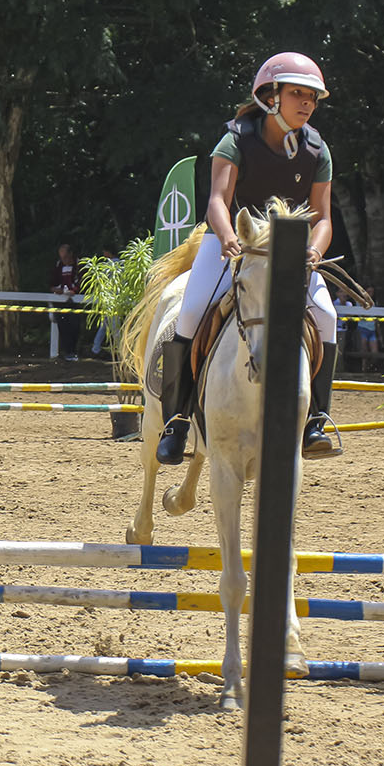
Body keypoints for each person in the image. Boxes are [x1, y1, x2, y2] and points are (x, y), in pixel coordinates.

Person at [156, 51, 341, 464]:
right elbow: (218, 201)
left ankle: (316, 419)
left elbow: (324, 218)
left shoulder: (317, 149)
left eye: (312, 96)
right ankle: (177, 420)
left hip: (291, 252)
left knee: (326, 315)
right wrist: (225, 237)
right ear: (270, 96)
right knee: (190, 311)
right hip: (234, 242)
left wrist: (312, 251)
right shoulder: (236, 139)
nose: (308, 103)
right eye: (298, 94)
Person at [49, 243, 83, 361]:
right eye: (61, 257)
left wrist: (74, 291)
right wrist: (55, 289)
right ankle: (67, 352)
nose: (64, 260)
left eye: (66, 257)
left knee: (75, 326)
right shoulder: (58, 265)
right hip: (60, 301)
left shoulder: (79, 265)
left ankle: (73, 351)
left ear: (70, 254)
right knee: (62, 326)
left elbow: (82, 282)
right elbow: (52, 282)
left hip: (74, 301)